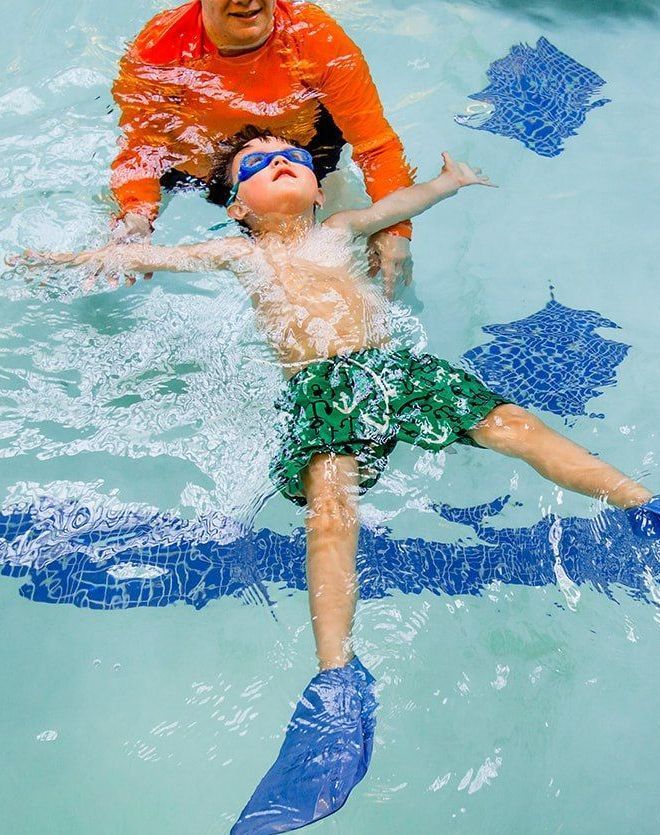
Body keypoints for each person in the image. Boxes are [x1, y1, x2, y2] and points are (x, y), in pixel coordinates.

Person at [9, 127, 660, 833]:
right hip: (321, 388)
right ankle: (335, 684)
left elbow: (400, 203)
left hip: (397, 367)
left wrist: (447, 183)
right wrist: (67, 259)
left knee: (514, 425)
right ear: (236, 205)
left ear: (318, 189)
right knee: (329, 510)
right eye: (256, 164)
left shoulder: (343, 230)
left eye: (291, 157)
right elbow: (157, 254)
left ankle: (642, 507)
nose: (279, 162)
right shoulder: (239, 252)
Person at [111, 0, 414, 295]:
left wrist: (396, 228)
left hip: (304, 163)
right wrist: (136, 213)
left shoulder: (314, 35)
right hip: (192, 172)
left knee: (361, 271)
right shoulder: (159, 47)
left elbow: (375, 144)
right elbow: (141, 149)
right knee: (118, 244)